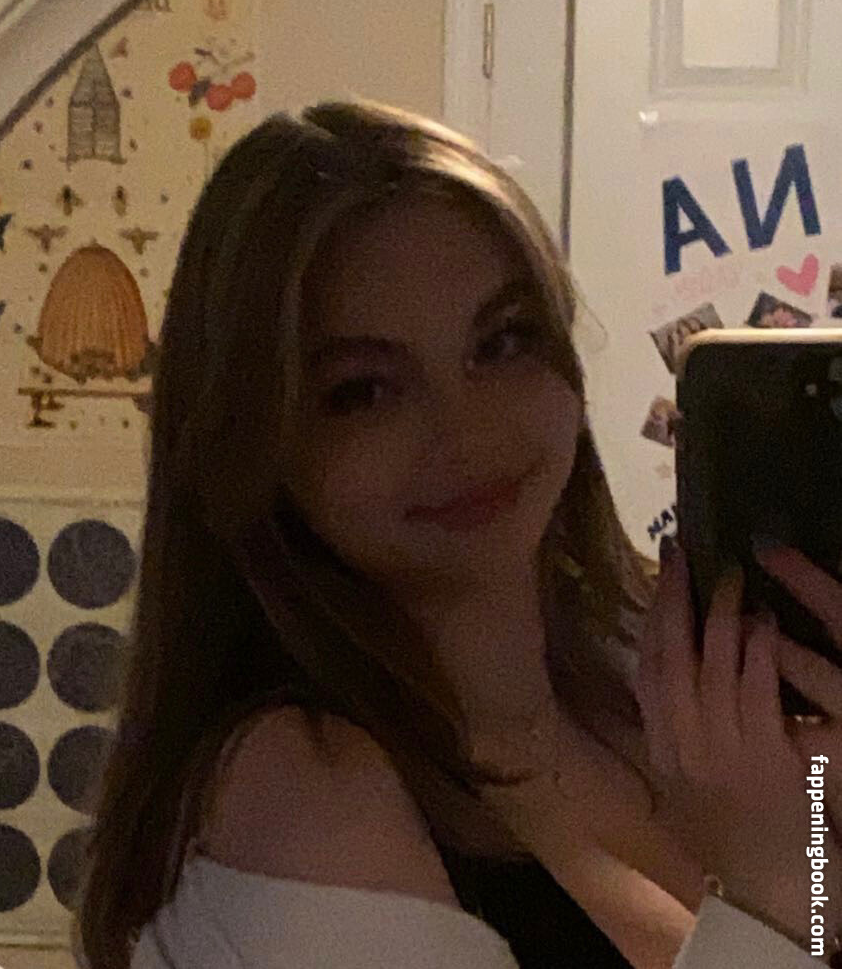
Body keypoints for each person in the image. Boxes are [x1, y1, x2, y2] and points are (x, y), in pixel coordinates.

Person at [76, 97, 842, 969]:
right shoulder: (305, 791)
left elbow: (814, 923)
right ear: (254, 439)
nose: (467, 430)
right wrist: (774, 889)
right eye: (364, 390)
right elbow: (790, 911)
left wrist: (818, 830)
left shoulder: (644, 681)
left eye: (503, 342)